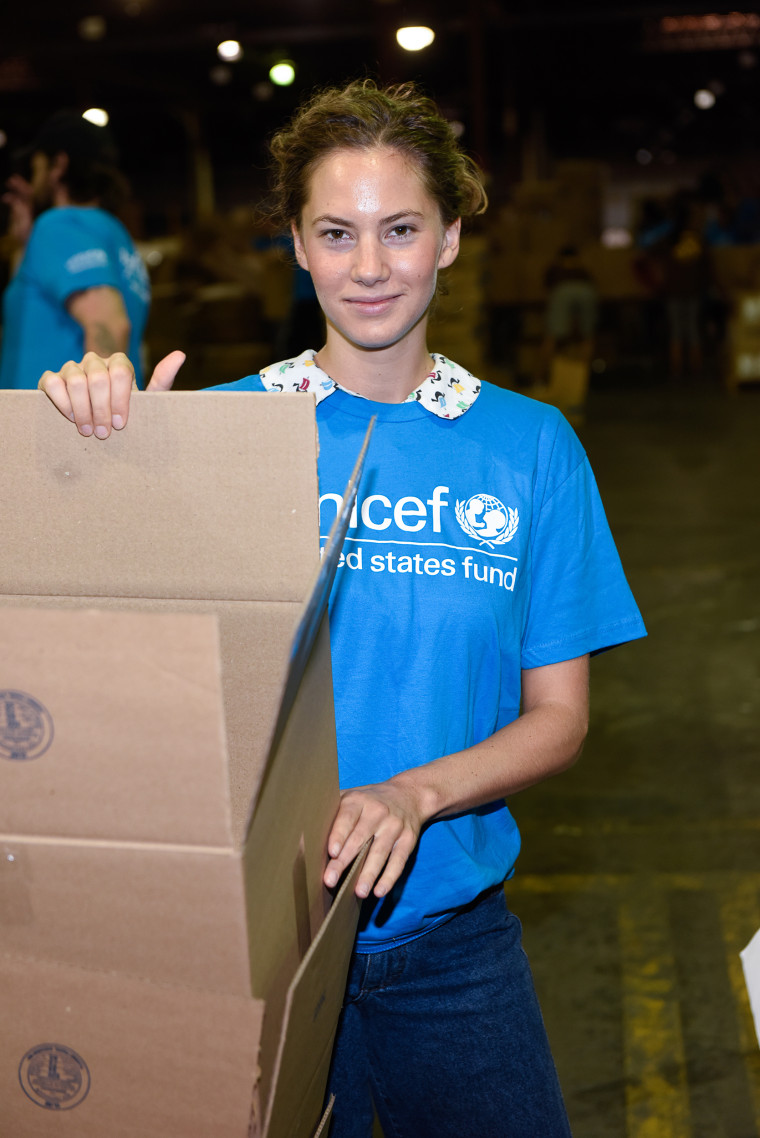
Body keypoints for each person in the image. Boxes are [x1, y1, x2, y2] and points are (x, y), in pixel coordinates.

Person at [38, 80, 646, 1136]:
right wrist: (91, 454)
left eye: (400, 229)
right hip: (243, 949)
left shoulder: (529, 445)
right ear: (297, 245)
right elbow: (86, 652)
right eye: (336, 232)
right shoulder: (219, 437)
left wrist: (413, 793)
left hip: (450, 948)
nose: (369, 266)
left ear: (451, 238)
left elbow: (559, 715)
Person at [0, 110, 150, 389]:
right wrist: (26, 244)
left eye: (36, 168)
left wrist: (98, 424)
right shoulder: (114, 232)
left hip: (61, 426)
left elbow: (109, 325)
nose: (34, 181)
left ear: (58, 165)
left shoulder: (59, 225)